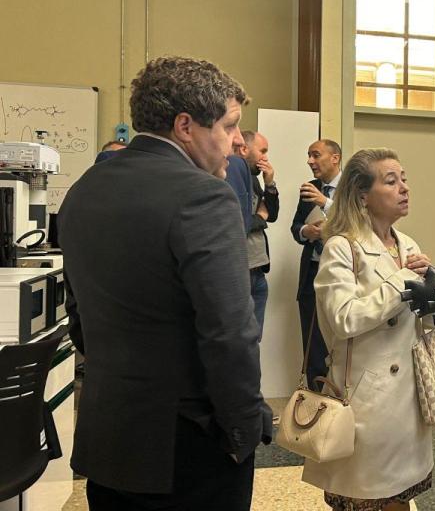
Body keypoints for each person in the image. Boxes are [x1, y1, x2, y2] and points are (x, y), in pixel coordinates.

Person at [59, 56, 272, 510]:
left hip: (109, 436)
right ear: (185, 126)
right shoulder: (204, 196)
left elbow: (77, 315)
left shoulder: (83, 190)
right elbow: (230, 334)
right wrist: (243, 430)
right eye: (231, 126)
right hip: (186, 447)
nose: (238, 142)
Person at [302, 147, 433, 511]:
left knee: (399, 498)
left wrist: (432, 285)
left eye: (404, 179)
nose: (404, 188)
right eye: (391, 182)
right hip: (367, 402)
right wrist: (404, 281)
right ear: (362, 195)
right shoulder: (341, 247)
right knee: (364, 497)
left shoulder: (408, 244)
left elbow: (422, 324)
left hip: (409, 400)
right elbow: (344, 318)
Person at [291, 138, 342, 388]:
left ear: (335, 158)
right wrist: (306, 232)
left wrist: (326, 203)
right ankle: (313, 399)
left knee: (338, 339)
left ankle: (338, 399)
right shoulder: (309, 188)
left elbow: (360, 223)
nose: (310, 161)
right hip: (312, 272)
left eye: (315, 155)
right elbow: (295, 227)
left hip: (341, 274)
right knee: (312, 343)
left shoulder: (352, 190)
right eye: (308, 156)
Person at [237, 130, 279, 340]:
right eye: (262, 151)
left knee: (254, 340)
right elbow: (239, 221)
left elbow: (271, 214)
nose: (265, 157)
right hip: (240, 271)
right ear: (245, 149)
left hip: (258, 271)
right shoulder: (232, 175)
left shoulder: (254, 179)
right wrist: (260, 218)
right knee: (240, 340)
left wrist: (270, 183)